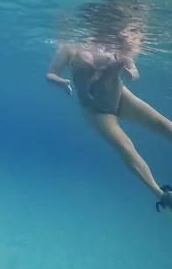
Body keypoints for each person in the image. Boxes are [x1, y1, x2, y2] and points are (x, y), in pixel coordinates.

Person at [47, 17, 172, 215]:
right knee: (125, 147)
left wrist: (129, 74)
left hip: (121, 96)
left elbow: (133, 71)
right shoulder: (70, 47)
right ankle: (163, 197)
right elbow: (51, 74)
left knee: (166, 125)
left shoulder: (118, 44)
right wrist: (62, 82)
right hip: (95, 110)